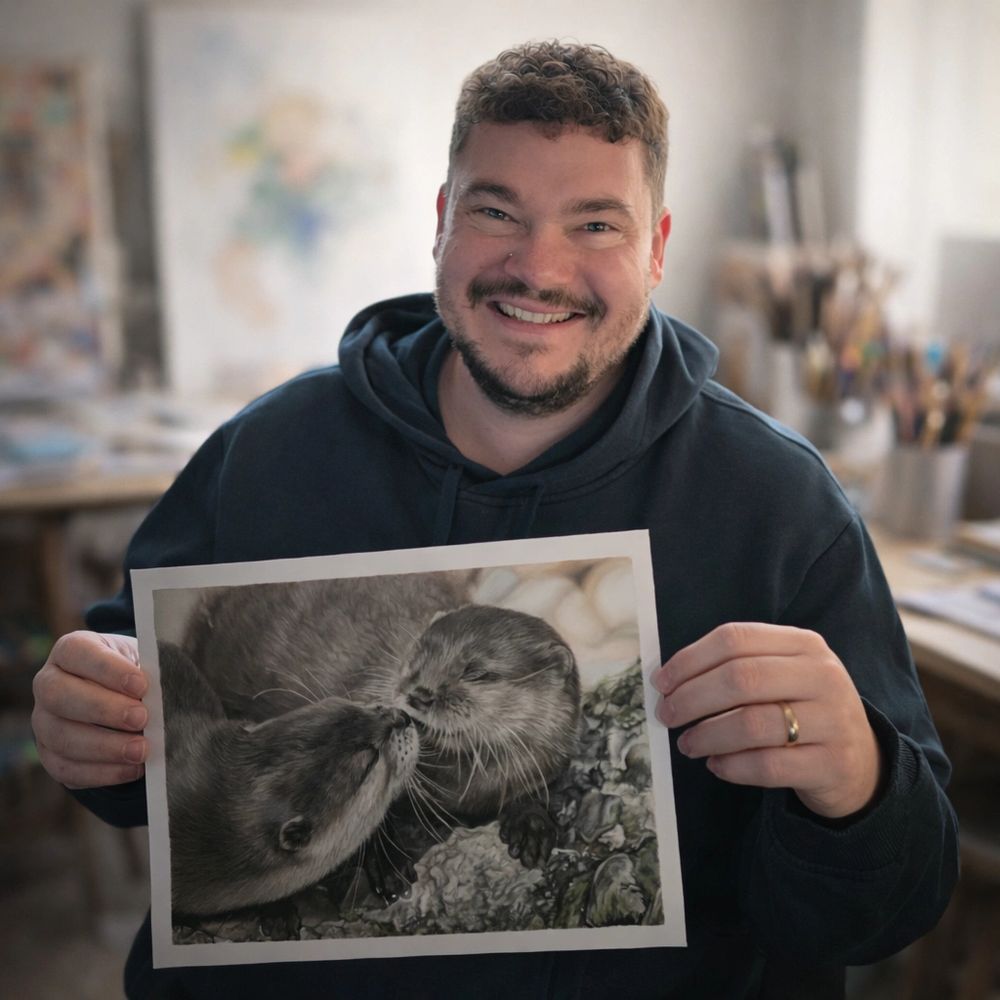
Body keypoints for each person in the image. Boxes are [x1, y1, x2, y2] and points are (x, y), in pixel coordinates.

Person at [31, 40, 957, 1000]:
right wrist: (92, 730)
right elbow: (152, 752)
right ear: (442, 219)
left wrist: (858, 783)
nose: (538, 267)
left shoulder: (781, 506)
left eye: (595, 223)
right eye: (496, 212)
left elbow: (893, 905)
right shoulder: (266, 453)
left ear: (656, 248)